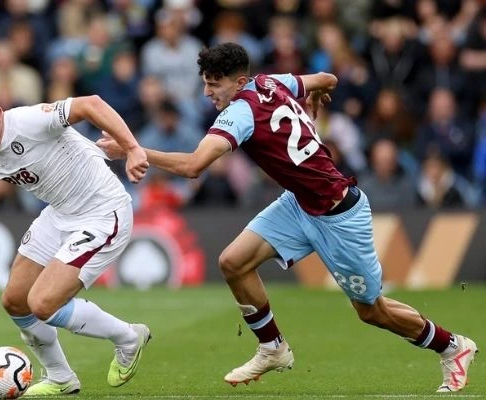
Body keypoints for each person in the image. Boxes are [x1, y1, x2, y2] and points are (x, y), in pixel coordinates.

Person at [98, 43, 478, 393]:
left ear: (240, 82)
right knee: (233, 262)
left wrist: (132, 149)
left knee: (371, 311)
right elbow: (328, 78)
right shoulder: (272, 81)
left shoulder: (241, 112)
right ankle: (273, 347)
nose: (208, 93)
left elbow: (195, 165)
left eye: (215, 85)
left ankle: (453, 346)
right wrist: (315, 92)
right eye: (205, 84)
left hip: (338, 215)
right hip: (299, 203)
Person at [0, 84, 152, 395]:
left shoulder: (30, 121)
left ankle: (128, 337)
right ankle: (61, 377)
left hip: (103, 211)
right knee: (15, 301)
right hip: (59, 214)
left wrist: (131, 148)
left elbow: (91, 103)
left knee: (43, 303)